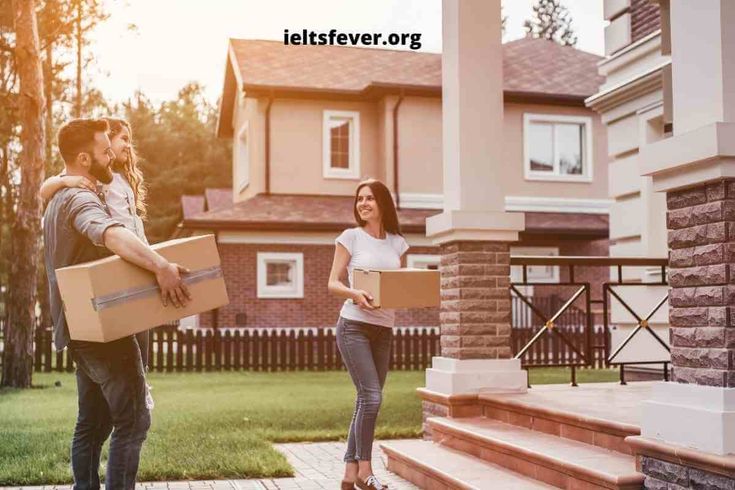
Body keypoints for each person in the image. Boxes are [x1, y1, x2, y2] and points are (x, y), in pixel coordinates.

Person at [43, 118, 191, 490]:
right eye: (104, 151)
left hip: (79, 328)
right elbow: (109, 233)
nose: (112, 156)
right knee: (133, 420)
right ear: (83, 158)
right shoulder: (79, 199)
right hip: (102, 330)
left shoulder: (58, 198)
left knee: (92, 424)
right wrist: (161, 266)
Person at [41, 117, 151, 370]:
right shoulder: (95, 176)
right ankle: (137, 394)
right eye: (122, 139)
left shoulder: (123, 180)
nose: (127, 146)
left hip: (137, 259)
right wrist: (64, 181)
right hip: (120, 260)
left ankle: (141, 385)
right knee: (126, 351)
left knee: (140, 346)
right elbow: (44, 189)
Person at [327, 179, 409, 490]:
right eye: (360, 198)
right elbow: (333, 283)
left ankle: (349, 475)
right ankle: (365, 470)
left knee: (366, 400)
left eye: (370, 198)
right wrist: (355, 293)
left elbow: (400, 286)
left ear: (383, 204)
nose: (363, 203)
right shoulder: (351, 237)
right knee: (372, 398)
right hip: (354, 325)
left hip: (384, 329)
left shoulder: (397, 243)